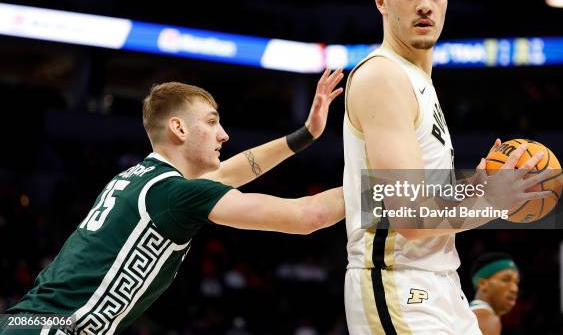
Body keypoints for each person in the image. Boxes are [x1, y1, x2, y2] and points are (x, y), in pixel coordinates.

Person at [2, 69, 345, 335]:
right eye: (212, 122)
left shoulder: (144, 178)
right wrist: (395, 189)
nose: (223, 134)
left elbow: (230, 172)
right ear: (179, 129)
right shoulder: (173, 194)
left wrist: (305, 135)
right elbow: (307, 216)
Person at [342, 0, 552, 334]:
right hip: (397, 282)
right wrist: (492, 200)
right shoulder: (383, 76)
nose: (425, 4)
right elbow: (407, 215)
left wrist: (474, 187)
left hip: (440, 283)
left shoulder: (417, 80)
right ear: (381, 1)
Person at [469, 253, 520, 335]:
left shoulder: (470, 313)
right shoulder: (488, 318)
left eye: (516, 282)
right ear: (482, 283)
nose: (515, 289)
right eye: (505, 280)